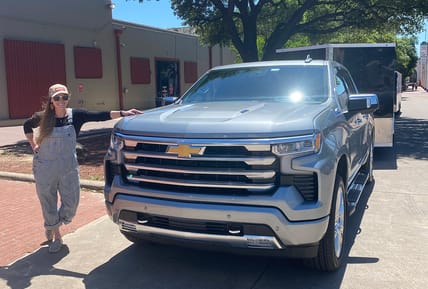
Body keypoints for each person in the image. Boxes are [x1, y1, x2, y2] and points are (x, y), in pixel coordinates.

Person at [23, 83, 143, 253]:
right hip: (45, 166)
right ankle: (55, 233)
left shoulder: (76, 115)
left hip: (68, 167)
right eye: (57, 98)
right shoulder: (42, 117)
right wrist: (33, 144)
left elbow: (100, 115)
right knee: (47, 201)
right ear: (51, 101)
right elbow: (26, 125)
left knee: (71, 205)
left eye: (64, 97)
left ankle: (54, 222)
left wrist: (124, 113)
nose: (61, 100)